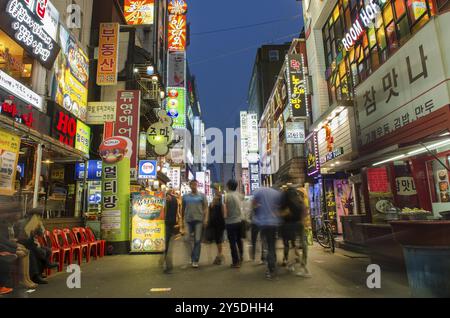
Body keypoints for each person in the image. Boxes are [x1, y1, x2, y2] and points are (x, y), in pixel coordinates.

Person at [14, 208, 58, 284]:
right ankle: (35, 276)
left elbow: (41, 234)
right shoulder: (22, 222)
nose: (39, 217)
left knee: (47, 250)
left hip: (30, 243)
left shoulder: (34, 223)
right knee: (35, 252)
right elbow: (22, 237)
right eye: (38, 216)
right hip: (21, 243)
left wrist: (39, 225)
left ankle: (40, 273)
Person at [279, 184, 310, 277]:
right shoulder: (299, 198)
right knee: (301, 245)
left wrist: (281, 215)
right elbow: (305, 209)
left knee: (292, 245)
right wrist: (302, 221)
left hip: (289, 225)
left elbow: (282, 213)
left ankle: (294, 265)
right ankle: (301, 265)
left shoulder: (285, 199)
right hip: (299, 224)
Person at [252, 186, 282, 280]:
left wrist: (257, 212)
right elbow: (279, 207)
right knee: (272, 245)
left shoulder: (259, 191)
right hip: (274, 223)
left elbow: (253, 204)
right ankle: (272, 265)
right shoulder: (276, 193)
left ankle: (270, 269)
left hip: (263, 223)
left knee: (267, 245)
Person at [182, 180, 208, 268]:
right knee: (186, 239)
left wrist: (206, 218)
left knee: (197, 240)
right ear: (190, 186)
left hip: (199, 220)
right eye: (192, 185)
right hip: (188, 220)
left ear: (197, 185)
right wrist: (182, 220)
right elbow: (182, 209)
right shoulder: (185, 197)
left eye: (195, 185)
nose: (194, 186)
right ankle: (192, 256)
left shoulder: (202, 196)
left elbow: (206, 208)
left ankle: (195, 260)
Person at [223, 180, 244, 268]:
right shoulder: (239, 195)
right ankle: (241, 256)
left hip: (230, 222)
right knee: (239, 240)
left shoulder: (226, 196)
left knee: (232, 242)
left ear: (228, 186)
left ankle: (236, 261)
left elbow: (225, 210)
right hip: (239, 221)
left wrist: (224, 217)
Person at [163, 188, 180, 274]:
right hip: (172, 222)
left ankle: (167, 264)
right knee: (169, 243)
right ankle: (167, 263)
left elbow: (165, 211)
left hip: (168, 223)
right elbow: (177, 213)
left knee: (168, 243)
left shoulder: (170, 198)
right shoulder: (176, 200)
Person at [207, 185, 225, 265]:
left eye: (217, 190)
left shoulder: (221, 202)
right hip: (213, 223)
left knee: (218, 240)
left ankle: (219, 256)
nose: (216, 191)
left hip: (219, 223)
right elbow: (209, 211)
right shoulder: (213, 203)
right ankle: (219, 256)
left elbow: (223, 213)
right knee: (216, 240)